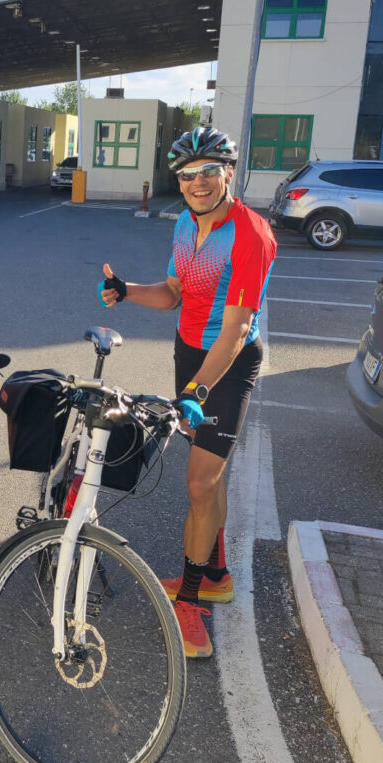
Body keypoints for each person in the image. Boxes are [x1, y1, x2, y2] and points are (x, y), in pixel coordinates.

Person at [98, 127, 276, 659]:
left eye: (207, 172)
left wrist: (197, 389)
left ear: (228, 172)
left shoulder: (251, 234)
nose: (197, 183)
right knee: (206, 478)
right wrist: (127, 291)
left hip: (229, 361)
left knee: (200, 482)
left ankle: (193, 600)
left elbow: (238, 329)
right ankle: (216, 572)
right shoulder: (183, 223)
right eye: (187, 175)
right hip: (189, 352)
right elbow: (175, 293)